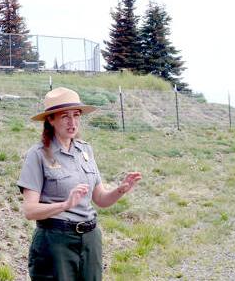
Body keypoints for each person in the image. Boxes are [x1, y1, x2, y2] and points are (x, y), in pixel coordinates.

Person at [16, 87, 142, 280]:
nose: (72, 122)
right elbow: (29, 210)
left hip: (90, 240)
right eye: (65, 116)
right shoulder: (39, 154)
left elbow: (100, 199)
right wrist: (65, 205)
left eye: (76, 115)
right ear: (50, 120)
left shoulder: (85, 151)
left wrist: (120, 190)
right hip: (56, 241)